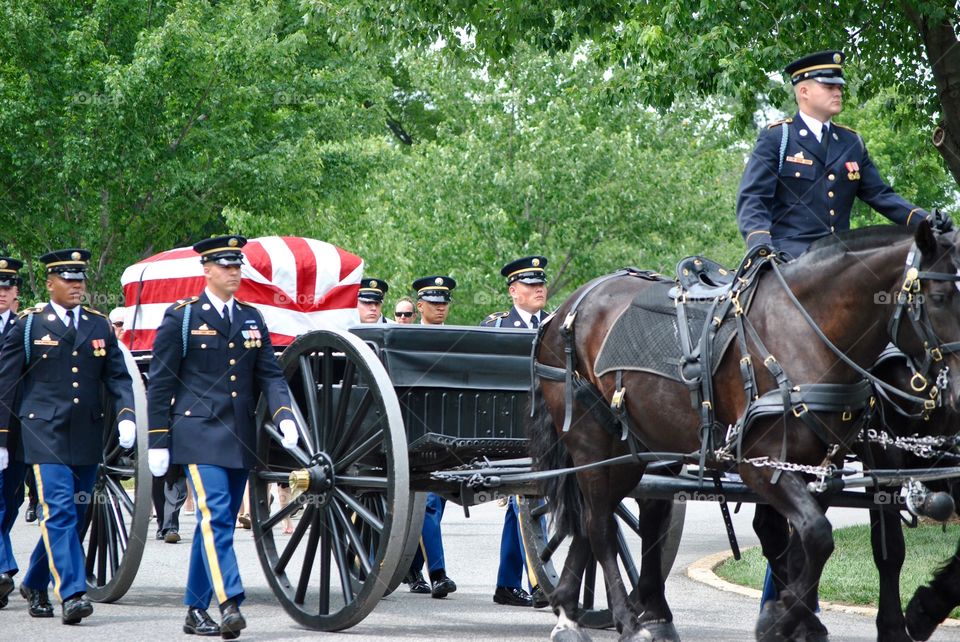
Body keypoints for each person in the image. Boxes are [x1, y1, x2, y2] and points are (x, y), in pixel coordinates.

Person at [146, 235, 299, 639]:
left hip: (239, 434)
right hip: (197, 432)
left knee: (221, 523)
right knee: (214, 514)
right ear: (207, 270)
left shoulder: (251, 318)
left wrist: (284, 415)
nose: (235, 273)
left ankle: (195, 610)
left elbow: (269, 373)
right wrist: (158, 440)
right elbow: (161, 384)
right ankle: (229, 600)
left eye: (238, 266)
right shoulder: (181, 317)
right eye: (227, 266)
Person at [0, 248, 136, 625]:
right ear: (50, 283)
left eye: (81, 280)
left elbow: (118, 377)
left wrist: (126, 415)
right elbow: (7, 383)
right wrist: (1, 438)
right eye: (68, 280)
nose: (77, 286)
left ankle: (35, 580)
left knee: (75, 515)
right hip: (43, 434)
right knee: (58, 510)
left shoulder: (99, 325)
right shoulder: (29, 325)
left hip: (87, 434)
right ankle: (73, 593)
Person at [736, 50, 941, 260]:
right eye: (829, 86)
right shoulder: (779, 138)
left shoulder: (851, 142)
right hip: (789, 257)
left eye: (839, 86)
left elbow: (881, 195)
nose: (838, 92)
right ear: (804, 91)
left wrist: (927, 220)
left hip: (840, 257)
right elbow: (753, 198)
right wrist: (760, 244)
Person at [481, 256, 550, 608]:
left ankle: (507, 584)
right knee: (530, 498)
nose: (539, 288)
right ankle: (541, 582)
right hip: (507, 426)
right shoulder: (496, 325)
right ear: (513, 291)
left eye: (541, 282)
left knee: (520, 504)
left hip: (545, 426)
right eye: (529, 283)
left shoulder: (553, 325)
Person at [404, 276, 457, 599]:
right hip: (416, 429)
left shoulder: (455, 338)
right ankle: (438, 573)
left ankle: (412, 567)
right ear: (419, 305)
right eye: (434, 303)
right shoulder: (405, 337)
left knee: (436, 505)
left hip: (448, 431)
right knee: (429, 505)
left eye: (444, 303)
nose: (440, 308)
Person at [0, 257, 25, 610]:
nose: (1, 293)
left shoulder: (28, 327)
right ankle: (3, 568)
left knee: (14, 500)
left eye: (6, 287)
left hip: (18, 429)